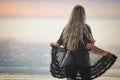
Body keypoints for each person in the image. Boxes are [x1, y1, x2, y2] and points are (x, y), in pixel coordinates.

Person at [50, 5, 112, 80]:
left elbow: (58, 44)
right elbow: (89, 45)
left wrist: (52, 44)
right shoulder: (85, 28)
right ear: (83, 15)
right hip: (83, 60)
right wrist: (104, 52)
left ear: (72, 15)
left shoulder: (67, 28)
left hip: (69, 60)